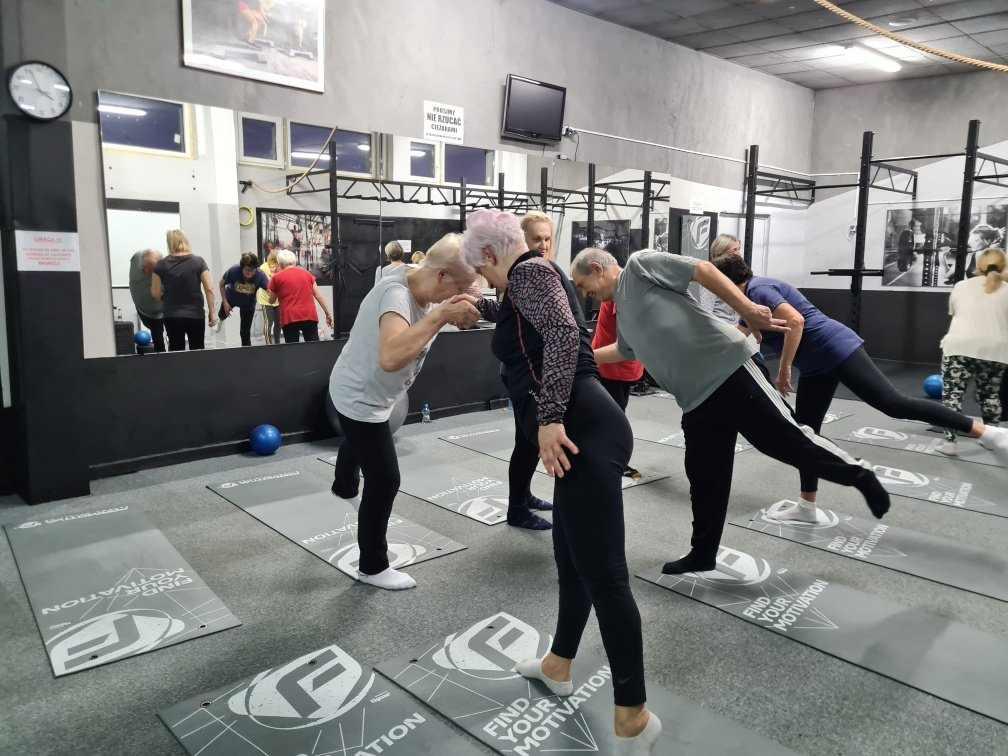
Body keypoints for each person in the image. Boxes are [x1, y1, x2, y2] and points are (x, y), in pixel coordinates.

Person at [463, 211, 661, 752]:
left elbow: (561, 331)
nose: (484, 281)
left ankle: (633, 713)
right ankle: (558, 664)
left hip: (585, 432)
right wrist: (479, 307)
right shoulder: (528, 278)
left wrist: (549, 417)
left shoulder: (528, 272)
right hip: (583, 432)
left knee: (606, 576)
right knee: (571, 559)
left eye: (481, 272)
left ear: (490, 255)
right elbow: (528, 322)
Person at [572, 247, 893, 574]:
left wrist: (748, 309)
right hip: (695, 398)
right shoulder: (621, 311)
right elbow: (625, 350)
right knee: (704, 475)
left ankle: (860, 474)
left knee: (786, 441)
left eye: (583, 285)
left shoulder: (640, 266)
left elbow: (702, 270)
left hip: (731, 370)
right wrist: (584, 357)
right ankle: (703, 553)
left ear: (597, 268)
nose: (585, 294)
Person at [712, 254, 1008, 520]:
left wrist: (785, 367)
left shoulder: (759, 289)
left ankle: (985, 432)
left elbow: (796, 321)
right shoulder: (747, 302)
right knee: (807, 433)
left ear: (727, 282)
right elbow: (740, 335)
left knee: (893, 403)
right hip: (816, 365)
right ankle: (807, 506)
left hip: (835, 347)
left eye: (716, 285)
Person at [329, 234, 481, 590]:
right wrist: (442, 315)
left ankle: (343, 485)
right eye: (457, 287)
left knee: (358, 443)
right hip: (359, 397)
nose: (457, 296)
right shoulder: (396, 294)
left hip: (371, 393)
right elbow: (391, 357)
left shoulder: (422, 283)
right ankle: (372, 566)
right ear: (441, 275)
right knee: (385, 479)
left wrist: (457, 304)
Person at [940, 247, 1008, 451]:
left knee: (952, 396)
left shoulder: (961, 286)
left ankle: (949, 443)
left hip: (960, 347)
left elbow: (954, 312)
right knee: (990, 396)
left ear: (978, 266)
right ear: (1003, 266)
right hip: (996, 350)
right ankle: (991, 440)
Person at [592, 299, 644, 479]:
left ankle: (611, 461)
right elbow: (629, 339)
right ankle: (613, 462)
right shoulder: (621, 295)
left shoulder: (628, 293)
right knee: (613, 421)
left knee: (612, 418)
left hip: (620, 367)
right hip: (611, 368)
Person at [152, 229, 216, 351]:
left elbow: (155, 293)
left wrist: (168, 298)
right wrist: (212, 313)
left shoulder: (161, 264)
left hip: (172, 316)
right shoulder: (199, 261)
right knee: (197, 351)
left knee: (176, 353)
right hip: (195, 315)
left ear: (169, 243)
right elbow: (209, 288)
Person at [268, 250, 334, 343]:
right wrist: (328, 314)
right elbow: (318, 296)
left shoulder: (276, 278)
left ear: (280, 264)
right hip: (309, 315)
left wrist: (273, 289)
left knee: (293, 348)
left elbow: (271, 300)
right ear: (294, 261)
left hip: (289, 318)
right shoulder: (307, 274)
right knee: (313, 347)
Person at [217, 252, 269, 346]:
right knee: (222, 314)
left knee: (245, 332)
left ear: (256, 269)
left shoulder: (260, 275)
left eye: (252, 270)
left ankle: (246, 352)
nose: (249, 273)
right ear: (242, 268)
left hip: (248, 304)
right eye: (246, 270)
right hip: (231, 298)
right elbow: (221, 284)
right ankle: (220, 320)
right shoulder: (233, 271)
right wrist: (225, 302)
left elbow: (270, 289)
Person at [129, 249, 165, 352]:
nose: (147, 272)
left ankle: (165, 358)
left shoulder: (166, 272)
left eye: (152, 270)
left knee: (160, 339)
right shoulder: (136, 260)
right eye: (146, 268)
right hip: (143, 310)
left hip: (159, 313)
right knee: (158, 337)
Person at [258, 243, 282, 344]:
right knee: (269, 322)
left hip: (278, 300)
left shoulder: (281, 266)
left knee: (279, 323)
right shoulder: (263, 268)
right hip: (266, 300)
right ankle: (269, 345)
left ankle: (277, 343)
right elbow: (265, 285)